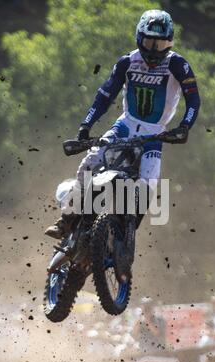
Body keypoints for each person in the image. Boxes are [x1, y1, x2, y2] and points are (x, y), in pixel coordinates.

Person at [45, 9, 201, 239]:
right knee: (90, 161)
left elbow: (193, 100)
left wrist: (184, 127)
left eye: (160, 44)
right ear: (140, 38)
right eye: (149, 42)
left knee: (148, 181)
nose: (154, 49)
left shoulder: (178, 64)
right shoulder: (127, 62)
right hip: (125, 126)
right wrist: (86, 125)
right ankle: (65, 220)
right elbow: (105, 96)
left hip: (155, 134)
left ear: (169, 42)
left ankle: (126, 238)